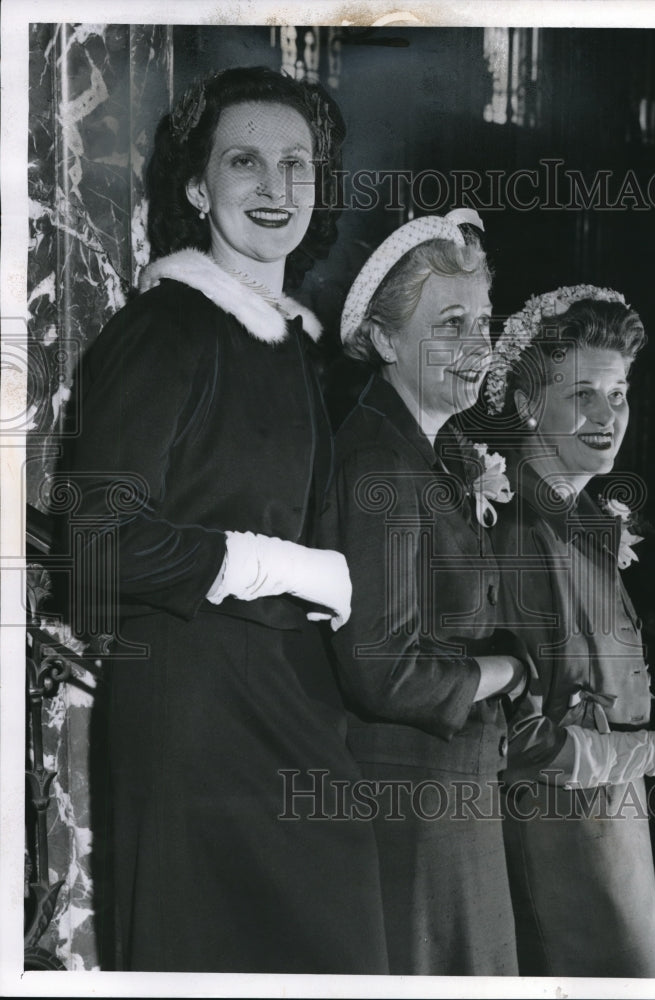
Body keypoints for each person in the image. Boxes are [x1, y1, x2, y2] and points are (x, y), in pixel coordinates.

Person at [57, 66, 389, 973]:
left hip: (290, 707)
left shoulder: (291, 344)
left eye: (298, 165)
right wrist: (279, 565)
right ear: (199, 187)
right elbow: (95, 544)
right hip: (196, 715)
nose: (276, 189)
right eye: (246, 162)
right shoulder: (168, 329)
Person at [481, 285, 655, 978]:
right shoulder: (521, 530)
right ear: (528, 404)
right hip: (560, 837)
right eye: (583, 393)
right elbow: (518, 743)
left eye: (619, 394)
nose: (608, 415)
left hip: (611, 823)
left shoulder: (574, 521)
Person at [320, 209, 529, 975]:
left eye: (484, 321)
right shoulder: (379, 461)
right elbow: (384, 669)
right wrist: (509, 669)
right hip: (412, 807)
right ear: (382, 340)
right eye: (450, 322)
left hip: (446, 798)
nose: (479, 347)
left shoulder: (421, 450)